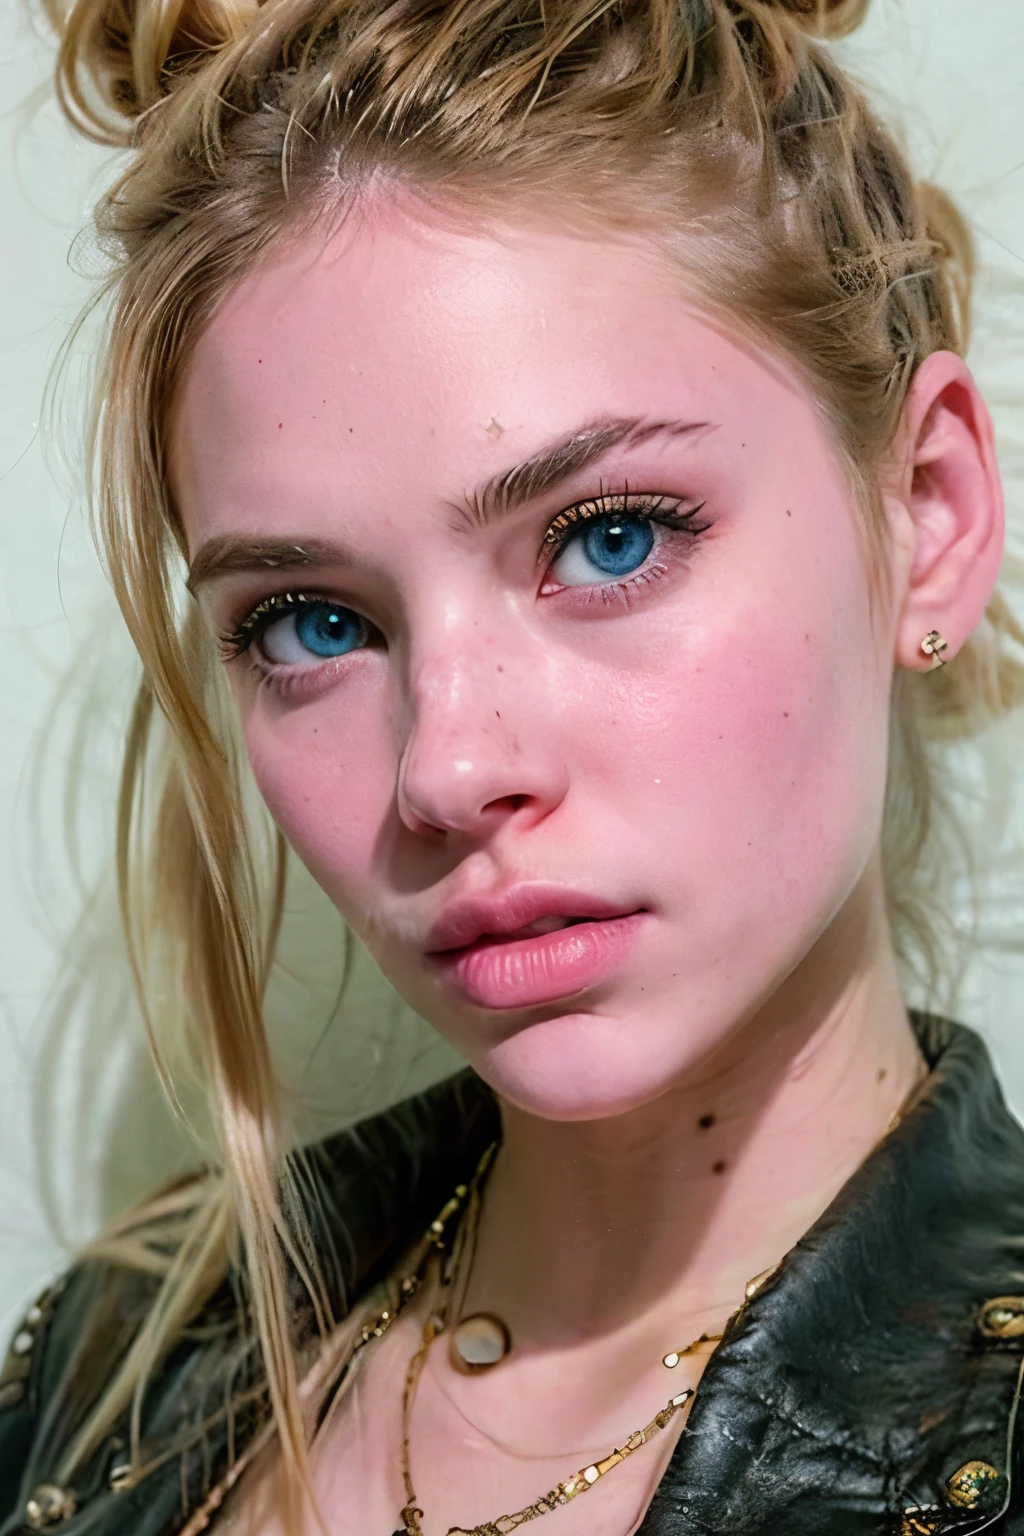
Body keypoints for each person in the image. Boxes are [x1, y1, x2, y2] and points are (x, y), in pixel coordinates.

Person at [3, 0, 1024, 1531]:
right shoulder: (107, 1374)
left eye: (611, 538)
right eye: (309, 624)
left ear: (927, 517)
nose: (448, 767)